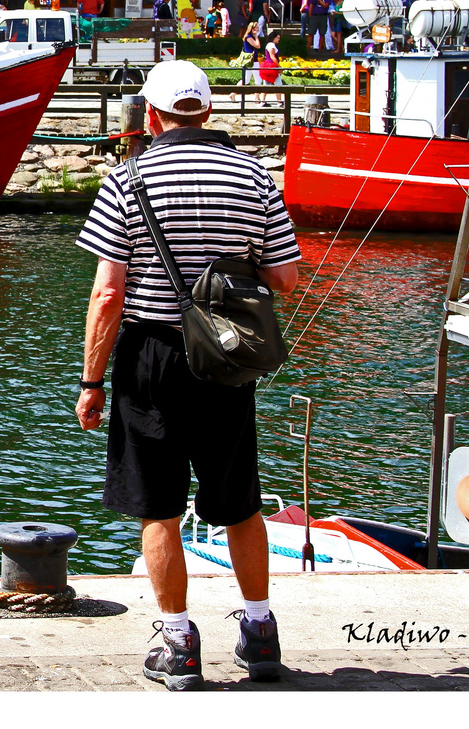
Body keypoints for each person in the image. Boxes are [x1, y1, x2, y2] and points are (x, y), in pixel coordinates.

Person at [74, 59, 302, 690]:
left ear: (151, 115)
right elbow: (283, 277)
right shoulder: (255, 176)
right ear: (208, 110)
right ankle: (259, 633)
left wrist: (92, 383)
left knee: (159, 507)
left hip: (153, 356)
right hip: (226, 357)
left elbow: (107, 297)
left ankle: (178, 644)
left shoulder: (128, 180)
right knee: (239, 502)